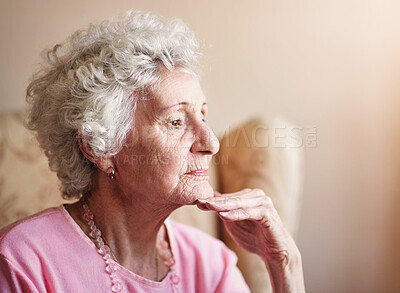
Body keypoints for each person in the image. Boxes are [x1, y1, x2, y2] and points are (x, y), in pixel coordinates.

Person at [0, 10, 305, 293]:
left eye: (203, 115)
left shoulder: (211, 264)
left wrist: (285, 263)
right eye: (176, 122)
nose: (211, 143)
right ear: (100, 146)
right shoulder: (24, 260)